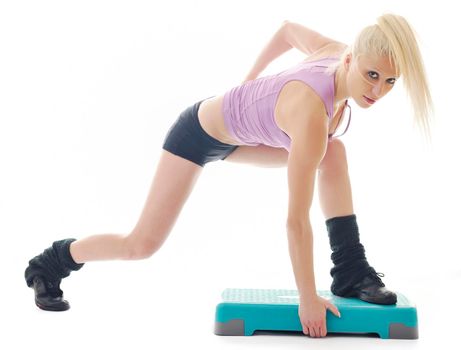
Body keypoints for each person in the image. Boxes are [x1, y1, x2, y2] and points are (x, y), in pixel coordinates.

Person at [25, 13, 432, 338]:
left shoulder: (338, 58)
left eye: (390, 81)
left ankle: (350, 270)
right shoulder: (310, 113)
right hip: (197, 133)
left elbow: (288, 30)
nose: (377, 91)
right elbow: (295, 220)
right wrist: (307, 299)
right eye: (371, 76)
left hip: (246, 137)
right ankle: (51, 263)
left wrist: (250, 83)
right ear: (350, 59)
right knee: (141, 244)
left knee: (333, 151)